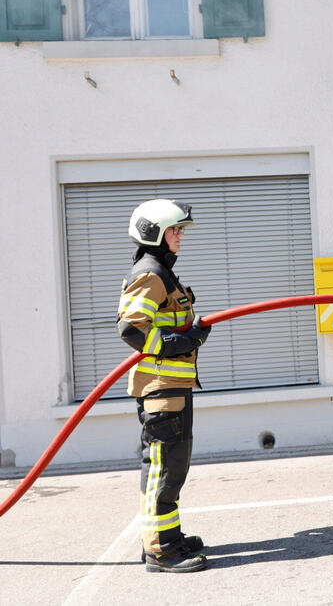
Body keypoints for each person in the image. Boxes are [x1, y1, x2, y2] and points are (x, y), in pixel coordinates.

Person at [117, 199, 211, 572]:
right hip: (160, 387)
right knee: (162, 466)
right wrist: (181, 342)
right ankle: (160, 550)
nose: (179, 236)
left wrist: (190, 335)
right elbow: (131, 328)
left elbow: (165, 323)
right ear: (154, 233)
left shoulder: (163, 273)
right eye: (174, 230)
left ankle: (168, 537)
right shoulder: (151, 273)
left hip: (173, 386)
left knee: (173, 465)